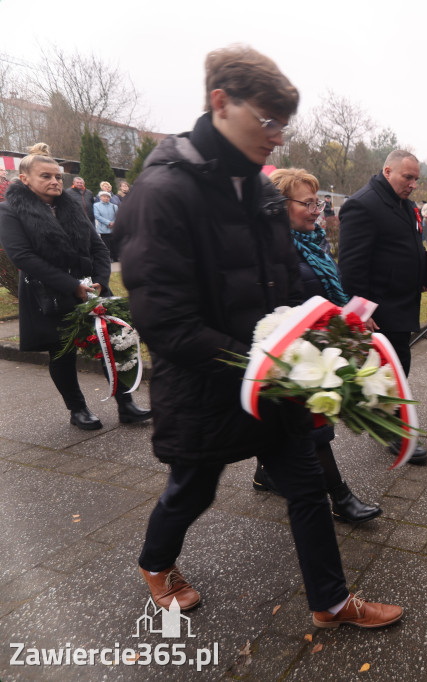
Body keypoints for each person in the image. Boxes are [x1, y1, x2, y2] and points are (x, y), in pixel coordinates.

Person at [117, 45, 402, 629]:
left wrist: (321, 334)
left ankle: (330, 602)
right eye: (267, 120)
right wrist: (263, 360)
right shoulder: (163, 192)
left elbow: (285, 281)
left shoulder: (263, 192)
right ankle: (156, 563)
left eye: (283, 125)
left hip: (271, 375)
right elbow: (164, 320)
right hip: (205, 384)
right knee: (193, 490)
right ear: (221, 103)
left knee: (307, 483)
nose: (276, 137)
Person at [249, 168, 382, 525]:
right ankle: (339, 497)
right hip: (291, 351)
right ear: (281, 205)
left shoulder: (314, 243)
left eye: (317, 203)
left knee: (295, 428)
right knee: (313, 430)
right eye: (307, 203)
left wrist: (350, 314)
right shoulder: (275, 249)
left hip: (315, 343)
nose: (316, 211)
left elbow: (324, 292)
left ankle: (265, 473)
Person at [0, 144, 150, 430]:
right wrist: (71, 286)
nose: (55, 181)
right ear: (25, 179)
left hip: (90, 289)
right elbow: (22, 256)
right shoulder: (9, 210)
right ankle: (78, 409)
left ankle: (127, 404)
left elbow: (98, 247)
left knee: (111, 343)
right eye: (46, 176)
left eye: (58, 176)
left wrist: (101, 280)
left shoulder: (70, 206)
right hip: (48, 293)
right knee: (62, 352)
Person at [337, 149, 427, 465]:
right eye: (408, 177)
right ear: (387, 171)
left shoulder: (404, 203)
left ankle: (384, 421)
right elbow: (351, 266)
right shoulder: (363, 204)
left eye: (416, 179)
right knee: (393, 368)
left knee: (397, 365)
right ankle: (394, 431)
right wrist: (361, 314)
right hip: (381, 309)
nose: (413, 184)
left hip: (402, 301)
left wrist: (421, 273)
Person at [93, 190, 119, 262]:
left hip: (113, 228)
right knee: (106, 244)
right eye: (104, 196)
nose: (106, 198)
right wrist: (108, 223)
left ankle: (116, 257)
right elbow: (97, 216)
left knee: (114, 243)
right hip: (103, 228)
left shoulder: (114, 206)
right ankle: (109, 257)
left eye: (107, 197)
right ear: (100, 197)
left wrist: (113, 223)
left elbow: (117, 216)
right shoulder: (96, 205)